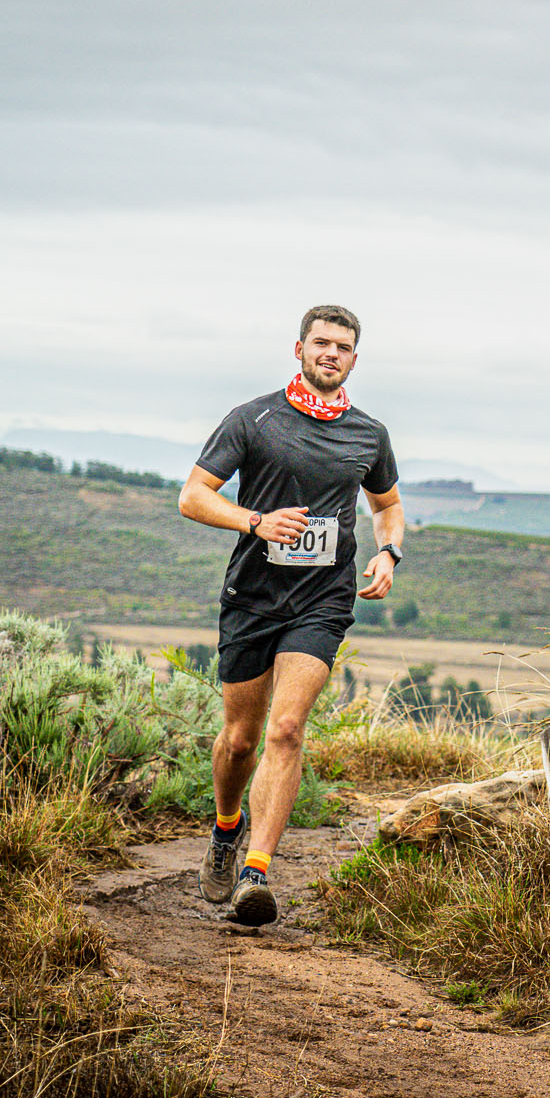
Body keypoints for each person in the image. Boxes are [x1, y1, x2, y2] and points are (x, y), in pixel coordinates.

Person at [177, 306, 403, 925]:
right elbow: (193, 496)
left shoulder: (369, 434)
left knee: (286, 729)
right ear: (298, 349)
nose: (331, 353)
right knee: (240, 739)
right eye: (321, 343)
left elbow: (387, 506)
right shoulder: (253, 419)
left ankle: (255, 874)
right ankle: (226, 829)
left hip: (322, 600)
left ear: (354, 359)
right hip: (253, 596)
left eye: (343, 347)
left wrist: (388, 551)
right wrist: (256, 521)